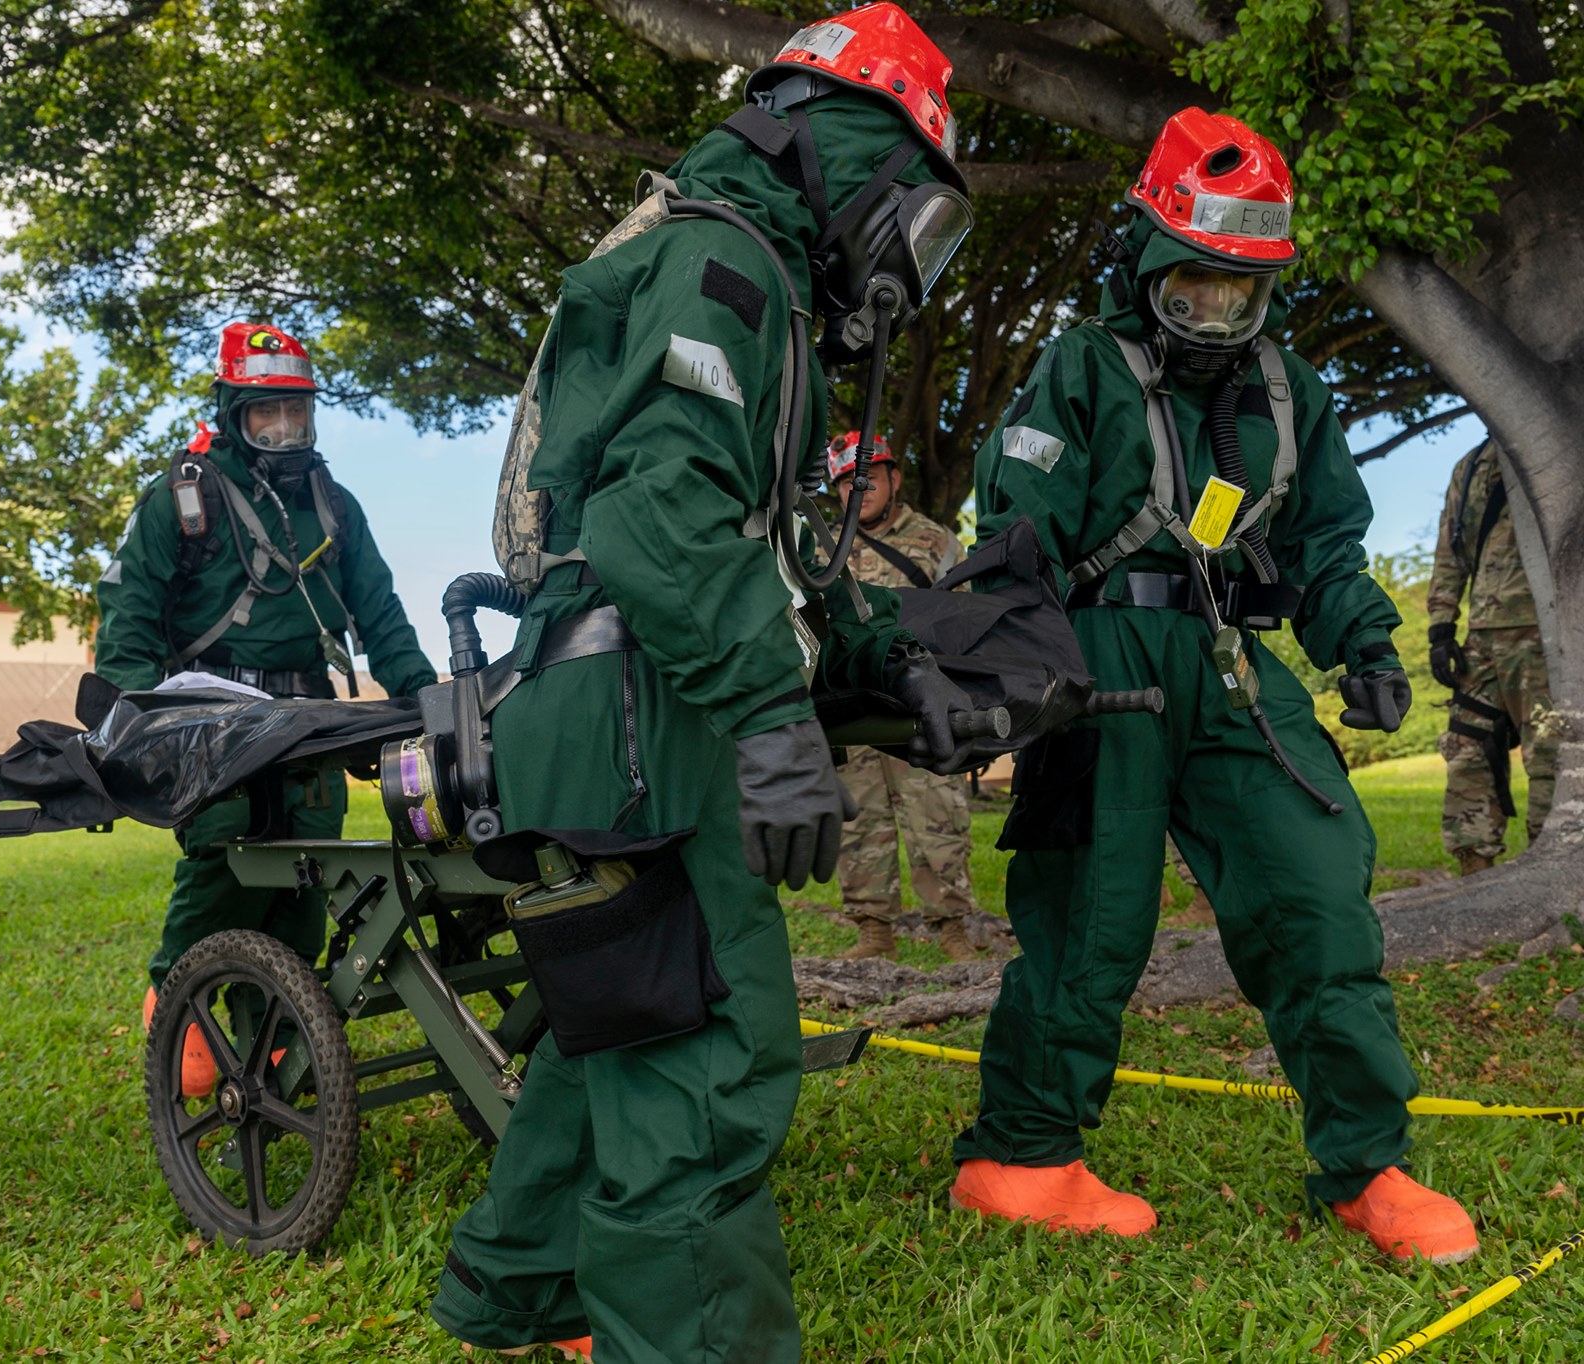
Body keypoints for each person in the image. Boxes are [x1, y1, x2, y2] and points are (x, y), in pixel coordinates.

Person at [436, 7, 978, 1359]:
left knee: (618, 1017)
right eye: (909, 208)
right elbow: (659, 530)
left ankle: (517, 1293)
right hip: (650, 724)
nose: (907, 255)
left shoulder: (725, 271)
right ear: (844, 154)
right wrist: (770, 718)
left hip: (596, 713)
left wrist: (884, 655)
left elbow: (759, 554)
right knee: (706, 1062)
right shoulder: (724, 272)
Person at [954, 108, 1479, 1265]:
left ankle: (1366, 1162)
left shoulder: (1289, 393)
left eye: (1239, 291)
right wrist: (1007, 673)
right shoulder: (1080, 365)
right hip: (1096, 661)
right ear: (1144, 258)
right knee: (1089, 916)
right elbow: (1016, 532)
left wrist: (1364, 647)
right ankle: (1021, 1156)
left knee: (1314, 888)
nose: (1214, 312)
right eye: (1191, 283)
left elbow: (1324, 543)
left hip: (1231, 663)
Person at [93, 322, 438, 1093]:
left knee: (305, 877)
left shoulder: (333, 503)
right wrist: (142, 722)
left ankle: (273, 1026)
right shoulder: (182, 498)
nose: (284, 431)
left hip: (309, 716)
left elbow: (379, 611)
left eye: (296, 414)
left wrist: (422, 692)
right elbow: (129, 615)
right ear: (232, 412)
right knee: (223, 865)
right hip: (211, 716)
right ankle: (179, 998)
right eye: (266, 415)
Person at [825, 431, 985, 961]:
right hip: (851, 709)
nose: (860, 488)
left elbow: (961, 619)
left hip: (919, 706)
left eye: (869, 476)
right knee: (860, 818)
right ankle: (873, 929)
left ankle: (953, 926)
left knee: (936, 810)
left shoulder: (936, 540)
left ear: (894, 478)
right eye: (847, 481)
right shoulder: (822, 547)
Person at [1427, 439, 1551, 876]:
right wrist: (1441, 627)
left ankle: (1548, 873)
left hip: (1549, 635)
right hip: (1480, 641)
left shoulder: (1562, 446)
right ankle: (1475, 876)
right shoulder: (1472, 464)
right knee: (1466, 751)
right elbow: (1450, 548)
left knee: (1551, 754)